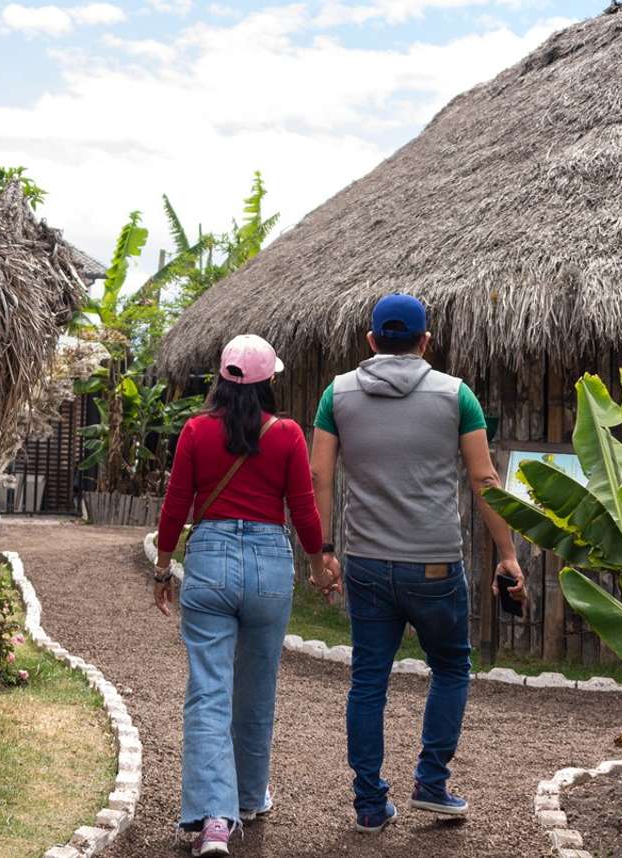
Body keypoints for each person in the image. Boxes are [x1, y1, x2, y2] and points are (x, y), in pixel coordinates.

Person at [309, 292, 527, 832]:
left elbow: (319, 478)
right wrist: (508, 554)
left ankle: (368, 803)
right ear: (426, 341)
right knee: (451, 667)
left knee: (368, 680)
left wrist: (324, 551)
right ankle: (431, 782)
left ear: (371, 340)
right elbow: (484, 481)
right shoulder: (457, 396)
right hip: (433, 564)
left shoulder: (337, 395)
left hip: (363, 560)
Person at [150, 334, 326, 857]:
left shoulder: (196, 431)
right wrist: (319, 565)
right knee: (257, 688)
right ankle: (249, 798)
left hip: (210, 561)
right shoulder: (289, 433)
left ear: (222, 381)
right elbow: (304, 508)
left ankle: (214, 820)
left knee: (208, 690)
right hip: (270, 564)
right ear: (270, 379)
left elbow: (176, 504)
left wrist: (164, 569)